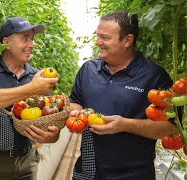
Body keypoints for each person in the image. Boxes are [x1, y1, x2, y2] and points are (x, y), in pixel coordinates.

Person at [69, 11, 176, 180]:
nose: (98, 42)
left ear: (127, 40)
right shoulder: (88, 70)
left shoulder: (155, 76)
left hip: (134, 175)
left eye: (105, 37)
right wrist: (76, 112)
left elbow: (169, 127)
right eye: (98, 36)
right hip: (88, 172)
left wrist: (125, 125)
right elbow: (75, 101)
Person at [0, 17, 60, 180]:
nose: (31, 44)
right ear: (6, 42)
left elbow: (50, 121)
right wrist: (31, 89)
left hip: (28, 161)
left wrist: (52, 136)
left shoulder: (37, 76)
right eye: (24, 38)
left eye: (32, 39)